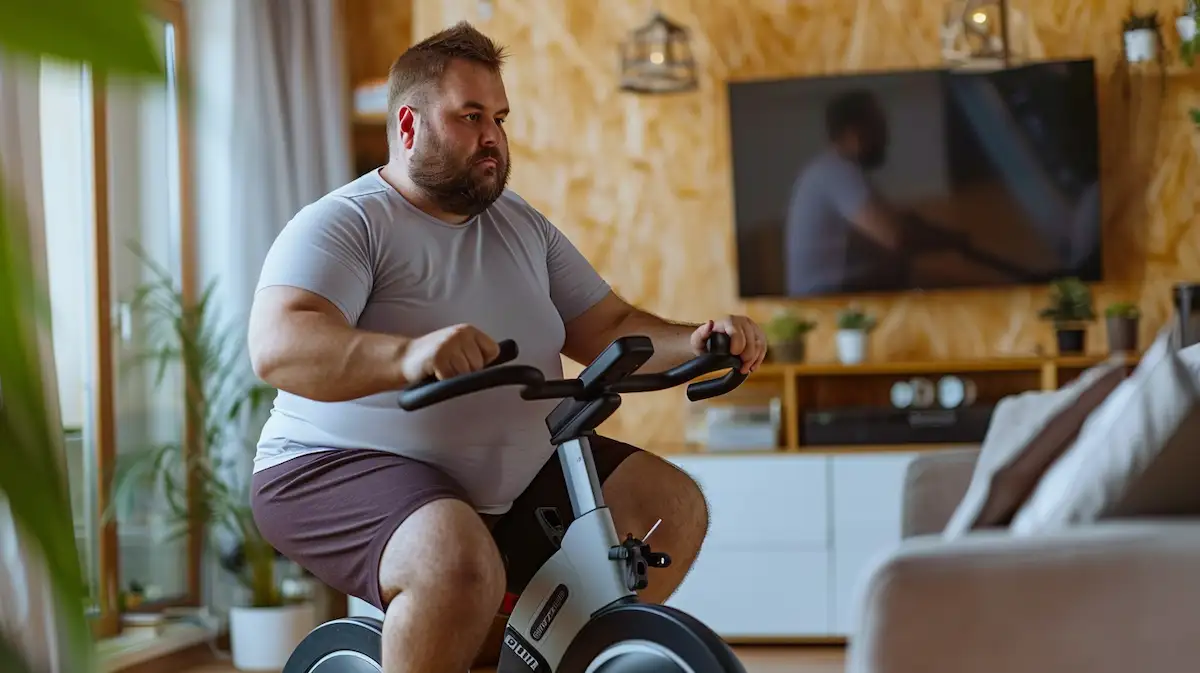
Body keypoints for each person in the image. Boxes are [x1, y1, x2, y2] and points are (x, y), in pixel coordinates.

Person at [245, 21, 767, 673]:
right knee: (454, 562)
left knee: (672, 507)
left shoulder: (519, 224)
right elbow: (279, 343)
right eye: (469, 116)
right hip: (332, 465)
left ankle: (540, 659)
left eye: (499, 117)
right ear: (408, 126)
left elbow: (609, 325)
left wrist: (699, 339)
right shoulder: (346, 223)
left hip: (508, 476)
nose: (492, 136)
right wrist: (406, 357)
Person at [783, 89, 907, 295]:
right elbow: (895, 237)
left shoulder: (828, 168)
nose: (886, 135)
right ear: (854, 133)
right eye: (878, 127)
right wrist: (948, 240)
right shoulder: (837, 171)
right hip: (822, 296)